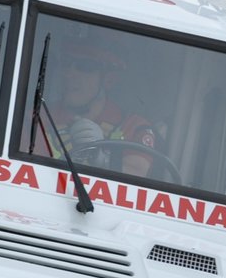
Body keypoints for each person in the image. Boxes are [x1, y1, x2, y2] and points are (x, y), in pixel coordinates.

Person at [38, 40, 156, 177]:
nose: (69, 74)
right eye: (66, 63)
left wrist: (103, 160)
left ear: (109, 80)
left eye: (85, 67)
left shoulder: (134, 126)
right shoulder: (37, 118)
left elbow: (137, 173)